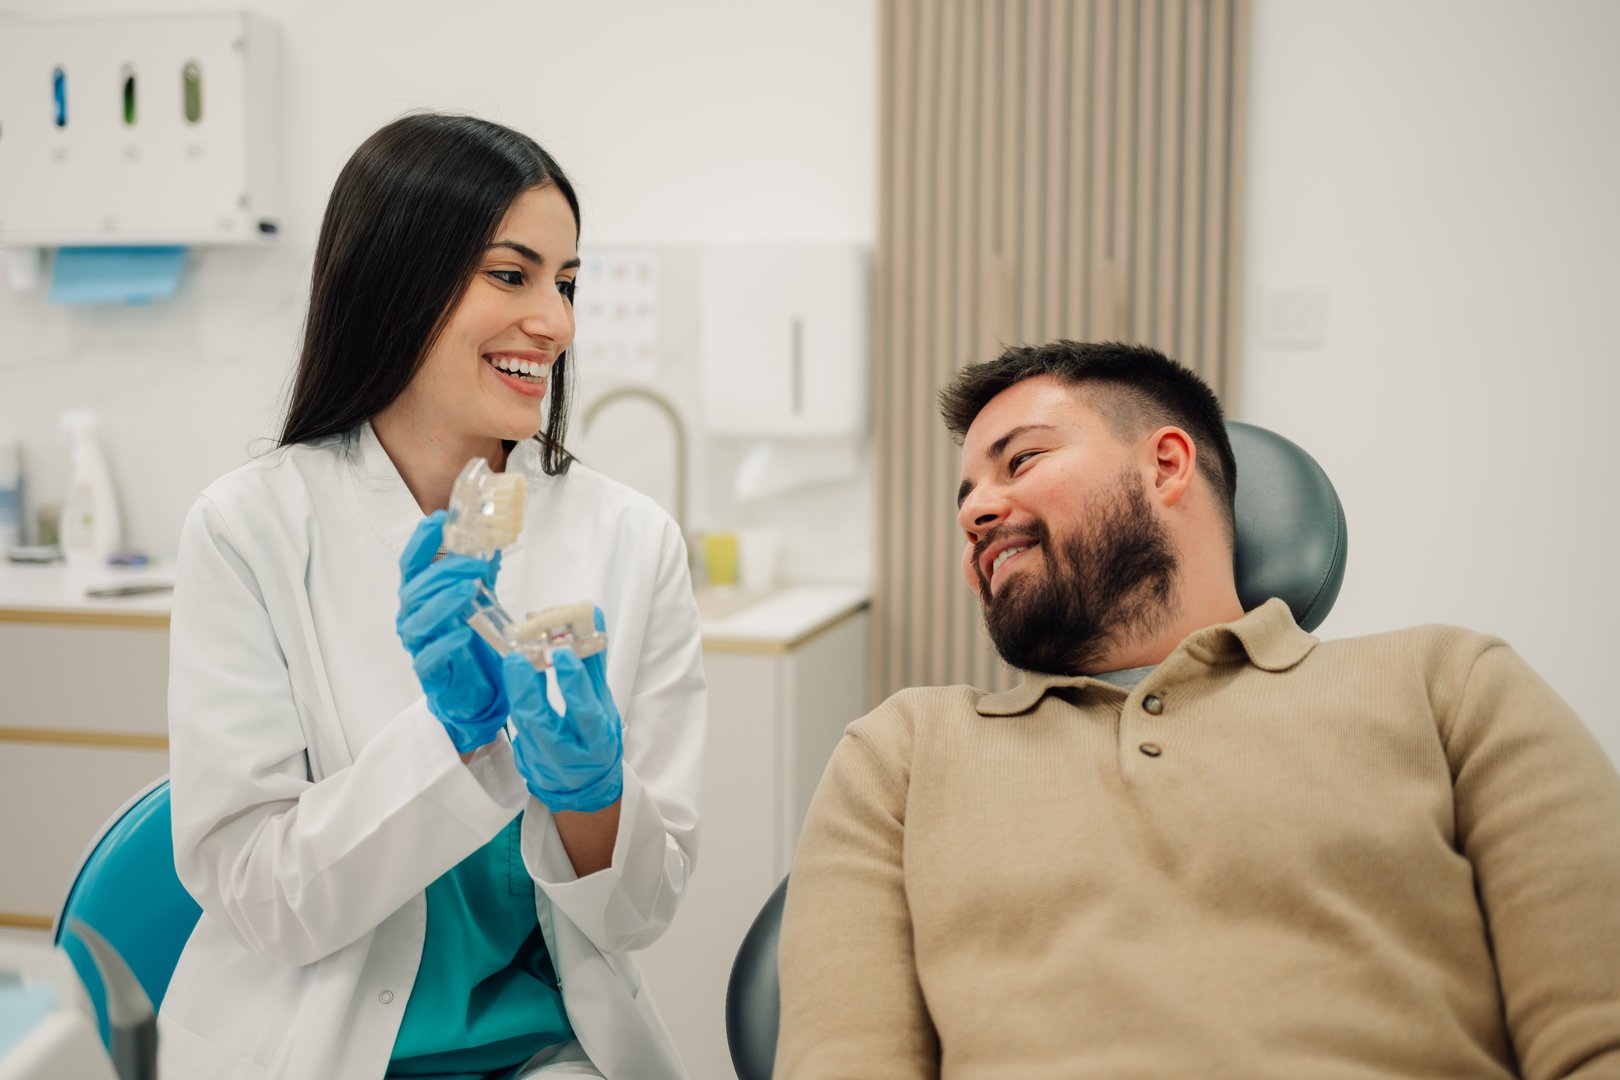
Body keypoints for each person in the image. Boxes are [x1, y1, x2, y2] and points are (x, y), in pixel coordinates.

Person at [775, 340, 1620, 1078]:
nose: (975, 512)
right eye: (965, 496)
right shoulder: (903, 755)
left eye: (1020, 460)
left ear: (1167, 465)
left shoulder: (1446, 687)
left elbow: (1599, 1035)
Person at [163, 113, 705, 1080]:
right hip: (308, 1047)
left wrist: (594, 797)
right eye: (512, 274)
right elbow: (262, 900)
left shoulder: (632, 540)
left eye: (566, 283)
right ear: (395, 280)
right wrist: (449, 741)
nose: (557, 323)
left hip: (545, 1053)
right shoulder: (249, 528)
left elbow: (638, 914)